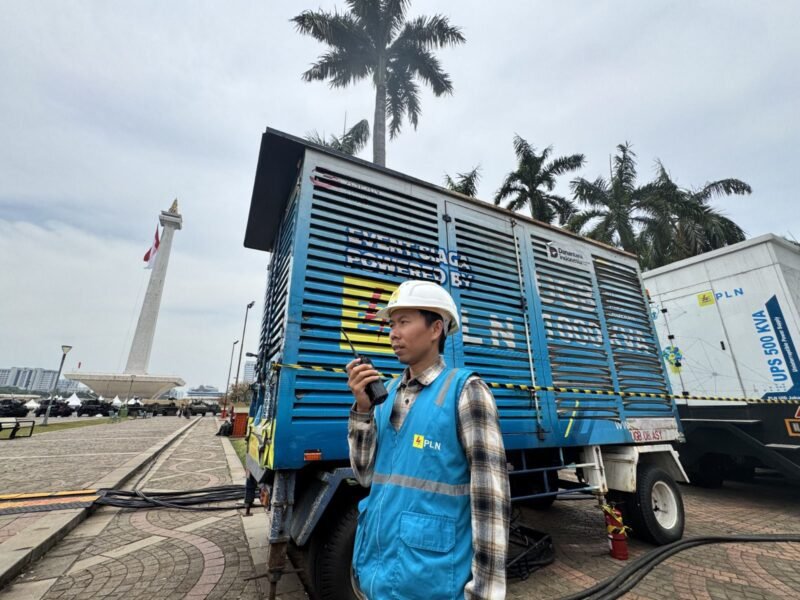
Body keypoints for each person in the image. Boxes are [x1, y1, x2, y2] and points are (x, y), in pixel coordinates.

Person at [347, 280, 510, 600]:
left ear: (436, 329)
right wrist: (363, 410)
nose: (393, 334)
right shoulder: (385, 394)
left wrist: (485, 593)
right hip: (375, 580)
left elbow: (490, 502)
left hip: (432, 586)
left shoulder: (467, 392)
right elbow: (365, 475)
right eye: (391, 325)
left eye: (403, 322)